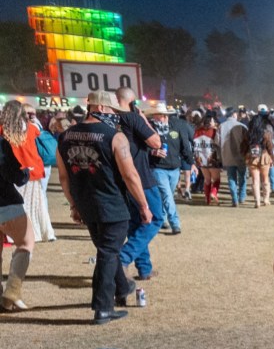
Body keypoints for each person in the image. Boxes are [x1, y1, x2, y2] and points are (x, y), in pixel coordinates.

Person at [56, 91, 152, 324]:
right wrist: (143, 205)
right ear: (100, 108)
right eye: (111, 110)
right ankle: (103, 308)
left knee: (107, 250)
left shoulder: (66, 136)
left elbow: (63, 177)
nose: (114, 115)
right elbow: (130, 175)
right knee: (108, 253)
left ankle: (123, 287)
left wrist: (74, 205)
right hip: (112, 203)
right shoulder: (115, 137)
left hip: (86, 204)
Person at [115, 87, 165, 281]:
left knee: (136, 223)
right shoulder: (132, 118)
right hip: (141, 178)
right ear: (131, 101)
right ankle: (123, 257)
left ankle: (144, 268)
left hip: (121, 179)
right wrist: (144, 120)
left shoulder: (111, 120)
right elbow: (156, 142)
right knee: (155, 219)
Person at [0, 101, 55, 243]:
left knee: (19, 206)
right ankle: (42, 233)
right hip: (33, 169)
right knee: (37, 206)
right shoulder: (32, 128)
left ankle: (17, 234)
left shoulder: (2, 129)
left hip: (16, 171)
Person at [145, 101, 192, 234]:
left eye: (157, 115)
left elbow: (184, 146)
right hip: (158, 167)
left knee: (168, 195)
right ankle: (175, 223)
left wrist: (191, 163)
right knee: (167, 195)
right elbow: (142, 147)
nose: (155, 117)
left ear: (164, 115)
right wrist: (152, 152)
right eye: (154, 115)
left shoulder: (177, 126)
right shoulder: (149, 129)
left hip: (174, 168)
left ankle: (162, 219)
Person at [0, 126, 33, 311]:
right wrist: (25, 171)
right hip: (6, 202)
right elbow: (14, 175)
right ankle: (12, 291)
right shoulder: (2, 144)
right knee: (26, 243)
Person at [246, 105, 274, 208]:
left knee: (255, 179)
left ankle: (257, 201)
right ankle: (266, 199)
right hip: (264, 155)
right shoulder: (266, 130)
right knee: (265, 178)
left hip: (252, 155)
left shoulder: (250, 131)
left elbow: (245, 143)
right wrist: (272, 157)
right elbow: (269, 145)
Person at [217, 108, 248, 206]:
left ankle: (234, 198)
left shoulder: (221, 126)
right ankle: (242, 196)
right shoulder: (242, 126)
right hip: (241, 156)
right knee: (242, 177)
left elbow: (217, 142)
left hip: (227, 155)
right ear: (234, 114)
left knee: (231, 177)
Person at [193, 114, 221, 205]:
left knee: (207, 179)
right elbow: (218, 143)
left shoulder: (197, 131)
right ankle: (213, 193)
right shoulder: (214, 131)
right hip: (212, 159)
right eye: (213, 121)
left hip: (201, 159)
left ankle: (207, 199)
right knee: (216, 179)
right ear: (211, 122)